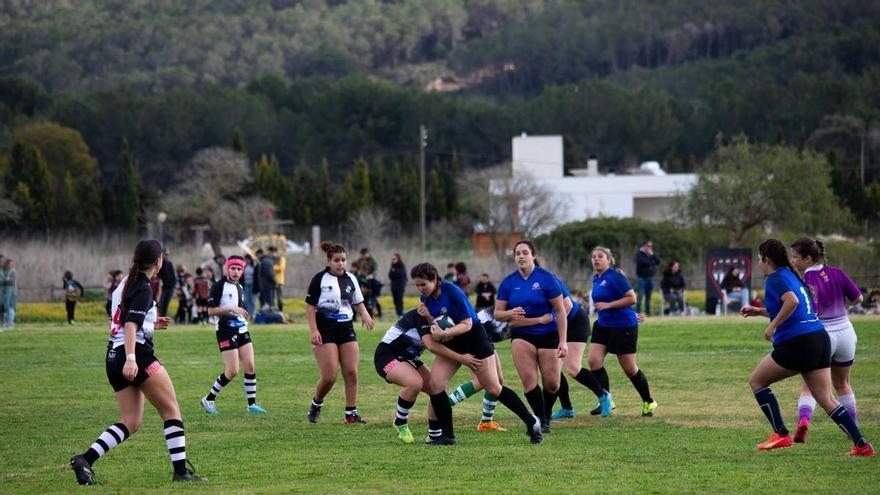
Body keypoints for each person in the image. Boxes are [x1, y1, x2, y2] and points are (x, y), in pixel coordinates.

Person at [68, 240, 206, 485]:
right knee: (171, 410)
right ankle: (181, 473)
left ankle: (85, 459)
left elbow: (123, 320)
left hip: (112, 355)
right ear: (158, 261)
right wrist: (132, 359)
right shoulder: (143, 287)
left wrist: (151, 324)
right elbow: (130, 325)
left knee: (131, 422)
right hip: (135, 356)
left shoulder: (123, 283)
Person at [741, 239, 873, 455]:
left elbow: (791, 302)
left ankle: (781, 434)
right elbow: (797, 304)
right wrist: (761, 312)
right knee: (827, 399)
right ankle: (861, 444)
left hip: (799, 342)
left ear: (767, 260)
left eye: (759, 260)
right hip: (819, 338)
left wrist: (772, 326)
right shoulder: (791, 275)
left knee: (757, 381)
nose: (758, 264)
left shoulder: (774, 279)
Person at [412, 262, 543, 445]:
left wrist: (445, 333)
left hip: (474, 339)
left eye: (423, 284)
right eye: (417, 285)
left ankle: (532, 422)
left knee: (493, 388)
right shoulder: (425, 300)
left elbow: (466, 323)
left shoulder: (453, 292)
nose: (420, 289)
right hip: (453, 342)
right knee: (435, 385)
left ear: (435, 279)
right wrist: (428, 317)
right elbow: (442, 322)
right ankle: (448, 436)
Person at [788, 238, 864, 444]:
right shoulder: (838, 273)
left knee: (809, 386)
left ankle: (804, 420)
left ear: (807, 258)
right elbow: (858, 298)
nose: (792, 261)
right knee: (843, 384)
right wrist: (841, 306)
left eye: (795, 257)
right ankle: (854, 430)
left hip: (821, 335)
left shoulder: (803, 281)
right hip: (846, 332)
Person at [494, 240, 569, 432]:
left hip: (548, 335)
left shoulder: (547, 279)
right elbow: (498, 313)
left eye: (525, 252)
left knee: (552, 384)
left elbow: (561, 311)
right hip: (521, 335)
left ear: (533, 255)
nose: (521, 256)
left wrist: (563, 341)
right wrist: (510, 314)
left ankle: (545, 413)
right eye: (517, 253)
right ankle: (541, 420)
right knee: (529, 382)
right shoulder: (509, 282)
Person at [305, 242, 375, 424]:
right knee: (329, 376)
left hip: (346, 329)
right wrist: (314, 330)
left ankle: (351, 414)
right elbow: (310, 306)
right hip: (325, 329)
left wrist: (365, 314)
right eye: (337, 260)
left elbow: (357, 301)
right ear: (329, 261)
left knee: (351, 372)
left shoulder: (351, 278)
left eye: (343, 260)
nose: (341, 264)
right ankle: (316, 403)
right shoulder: (319, 279)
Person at [589, 246, 658, 417]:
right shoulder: (596, 278)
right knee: (593, 361)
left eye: (600, 256)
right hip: (603, 325)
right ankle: (606, 400)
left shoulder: (616, 276)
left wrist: (609, 306)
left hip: (622, 326)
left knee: (629, 368)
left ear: (609, 259)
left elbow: (631, 298)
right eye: (593, 257)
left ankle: (649, 402)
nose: (596, 259)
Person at [200, 255, 267, 415]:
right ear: (227, 269)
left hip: (242, 329)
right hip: (225, 331)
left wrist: (243, 316)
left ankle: (251, 404)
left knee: (250, 365)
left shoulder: (240, 287)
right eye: (233, 268)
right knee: (232, 370)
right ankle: (208, 399)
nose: (236, 272)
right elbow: (210, 311)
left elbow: (240, 310)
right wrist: (231, 309)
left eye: (239, 269)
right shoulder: (218, 286)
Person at [550, 277, 612, 420]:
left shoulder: (549, 279)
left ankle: (603, 395)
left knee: (572, 368)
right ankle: (567, 408)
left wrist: (553, 325)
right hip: (555, 325)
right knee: (552, 370)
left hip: (575, 322)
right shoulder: (523, 283)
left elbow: (567, 306)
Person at [373, 308, 435, 443]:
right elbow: (432, 345)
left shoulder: (443, 316)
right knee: (414, 383)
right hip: (387, 355)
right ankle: (400, 422)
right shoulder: (421, 314)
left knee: (436, 388)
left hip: (409, 358)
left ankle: (437, 432)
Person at [635, 241, 660, 315]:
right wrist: (652, 261)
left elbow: (658, 262)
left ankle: (648, 312)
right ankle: (638, 312)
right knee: (640, 295)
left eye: (651, 246)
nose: (650, 248)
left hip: (650, 277)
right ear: (644, 246)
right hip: (641, 278)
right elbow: (643, 262)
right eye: (648, 246)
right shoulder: (639, 254)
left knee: (648, 296)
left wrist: (652, 255)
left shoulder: (650, 254)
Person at [388, 253, 408, 318]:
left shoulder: (401, 266)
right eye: (392, 259)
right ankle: (398, 313)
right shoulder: (392, 266)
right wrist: (393, 272)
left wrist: (394, 272)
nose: (393, 260)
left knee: (399, 299)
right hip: (394, 286)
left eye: (394, 259)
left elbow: (400, 274)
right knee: (395, 300)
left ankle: (400, 313)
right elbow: (390, 275)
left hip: (400, 286)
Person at [157, 249, 176, 317]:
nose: (167, 256)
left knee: (166, 302)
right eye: (166, 254)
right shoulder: (159, 263)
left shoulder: (169, 263)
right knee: (160, 302)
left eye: (168, 255)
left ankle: (163, 316)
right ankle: (159, 316)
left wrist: (173, 285)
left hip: (170, 287)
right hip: (162, 287)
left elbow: (173, 275)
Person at [269, 246, 286, 311]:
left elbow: (281, 268)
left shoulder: (281, 259)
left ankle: (280, 310)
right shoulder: (270, 260)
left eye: (272, 252)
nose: (272, 254)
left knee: (280, 298)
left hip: (279, 281)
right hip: (272, 281)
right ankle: (273, 311)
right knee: (272, 297)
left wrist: (272, 267)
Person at [1, 259, 15, 330]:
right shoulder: (6, 271)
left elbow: (12, 281)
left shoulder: (12, 272)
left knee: (10, 307)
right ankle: (8, 323)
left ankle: (10, 323)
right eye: (9, 264)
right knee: (7, 307)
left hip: (11, 292)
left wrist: (5, 280)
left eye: (11, 264)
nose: (10, 265)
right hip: (6, 292)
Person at [243, 254, 257, 319]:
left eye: (248, 259)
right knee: (247, 300)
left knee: (253, 300)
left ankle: (253, 314)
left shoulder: (253, 266)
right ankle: (249, 315)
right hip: (246, 284)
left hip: (252, 285)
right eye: (246, 259)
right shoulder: (244, 267)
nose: (247, 260)